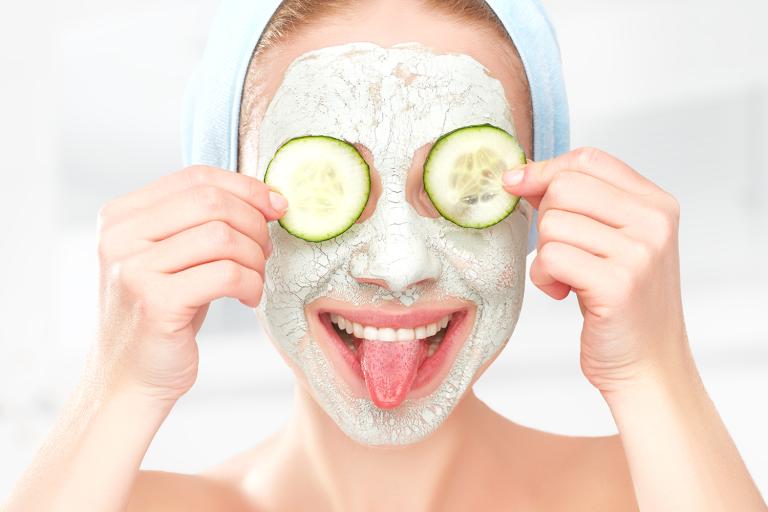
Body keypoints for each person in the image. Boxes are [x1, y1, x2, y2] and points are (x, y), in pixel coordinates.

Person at [4, 0, 765, 510]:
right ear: (224, 204)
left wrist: (654, 370)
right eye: (325, 186)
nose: (398, 266)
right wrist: (120, 384)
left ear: (537, 207)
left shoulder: (648, 488)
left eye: (461, 182)